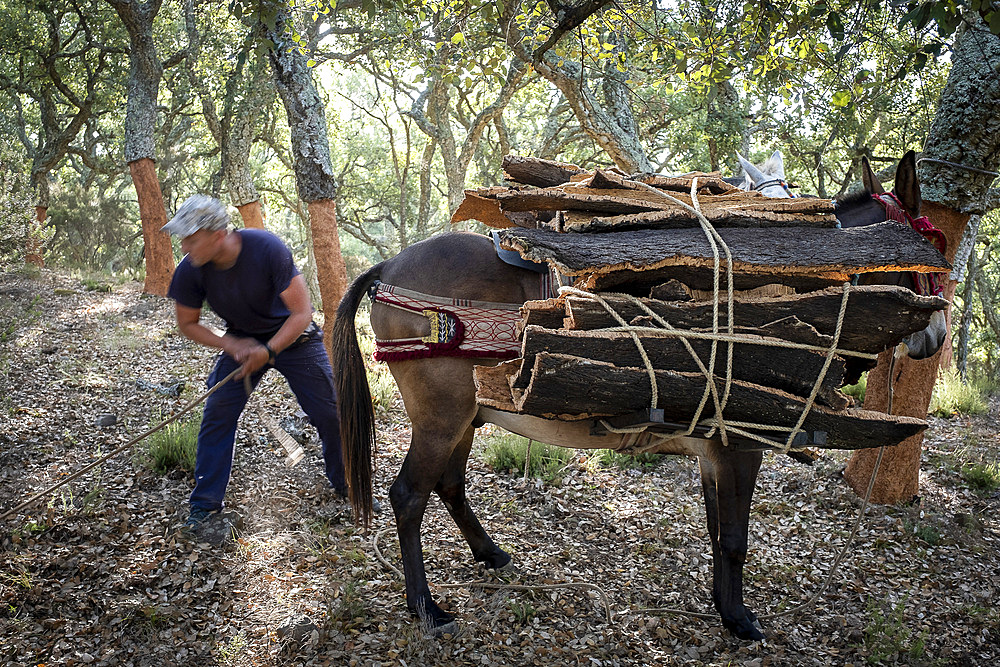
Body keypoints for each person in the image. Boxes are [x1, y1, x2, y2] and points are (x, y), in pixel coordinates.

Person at [162, 195, 353, 532]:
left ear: (218, 235)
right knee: (217, 415)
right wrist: (229, 343)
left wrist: (270, 349)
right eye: (183, 239)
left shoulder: (266, 248)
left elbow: (302, 313)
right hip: (243, 340)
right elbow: (187, 324)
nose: (184, 246)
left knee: (331, 413)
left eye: (191, 238)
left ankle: (348, 485)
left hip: (296, 338)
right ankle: (205, 506)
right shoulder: (190, 271)